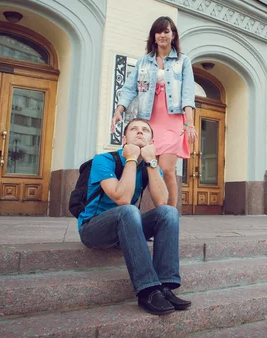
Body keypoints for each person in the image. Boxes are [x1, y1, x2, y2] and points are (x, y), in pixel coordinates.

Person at [78, 118, 191, 315]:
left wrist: (152, 162)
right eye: (134, 129)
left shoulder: (149, 165)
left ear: (151, 142)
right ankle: (147, 290)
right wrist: (131, 159)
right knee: (129, 210)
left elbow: (162, 202)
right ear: (124, 139)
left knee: (169, 213)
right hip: (93, 229)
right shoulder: (103, 160)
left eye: (145, 130)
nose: (140, 132)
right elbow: (122, 198)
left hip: (127, 226)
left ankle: (164, 286)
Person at [111, 16, 197, 208]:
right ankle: (152, 215)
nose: (162, 35)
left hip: (173, 121)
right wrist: (119, 110)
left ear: (173, 35)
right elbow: (129, 89)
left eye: (166, 31)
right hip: (149, 121)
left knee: (167, 169)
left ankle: (170, 217)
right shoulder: (143, 62)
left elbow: (188, 93)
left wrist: (189, 124)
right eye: (158, 32)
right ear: (153, 36)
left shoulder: (183, 61)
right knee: (151, 168)